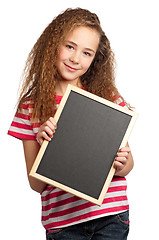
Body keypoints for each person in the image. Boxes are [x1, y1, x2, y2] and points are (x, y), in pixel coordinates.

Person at [8, 8, 134, 240]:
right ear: (53, 45)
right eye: (69, 46)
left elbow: (127, 165)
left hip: (111, 216)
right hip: (63, 224)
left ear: (95, 59)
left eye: (87, 53)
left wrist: (123, 162)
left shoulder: (106, 95)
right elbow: (36, 184)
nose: (76, 58)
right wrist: (44, 144)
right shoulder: (30, 106)